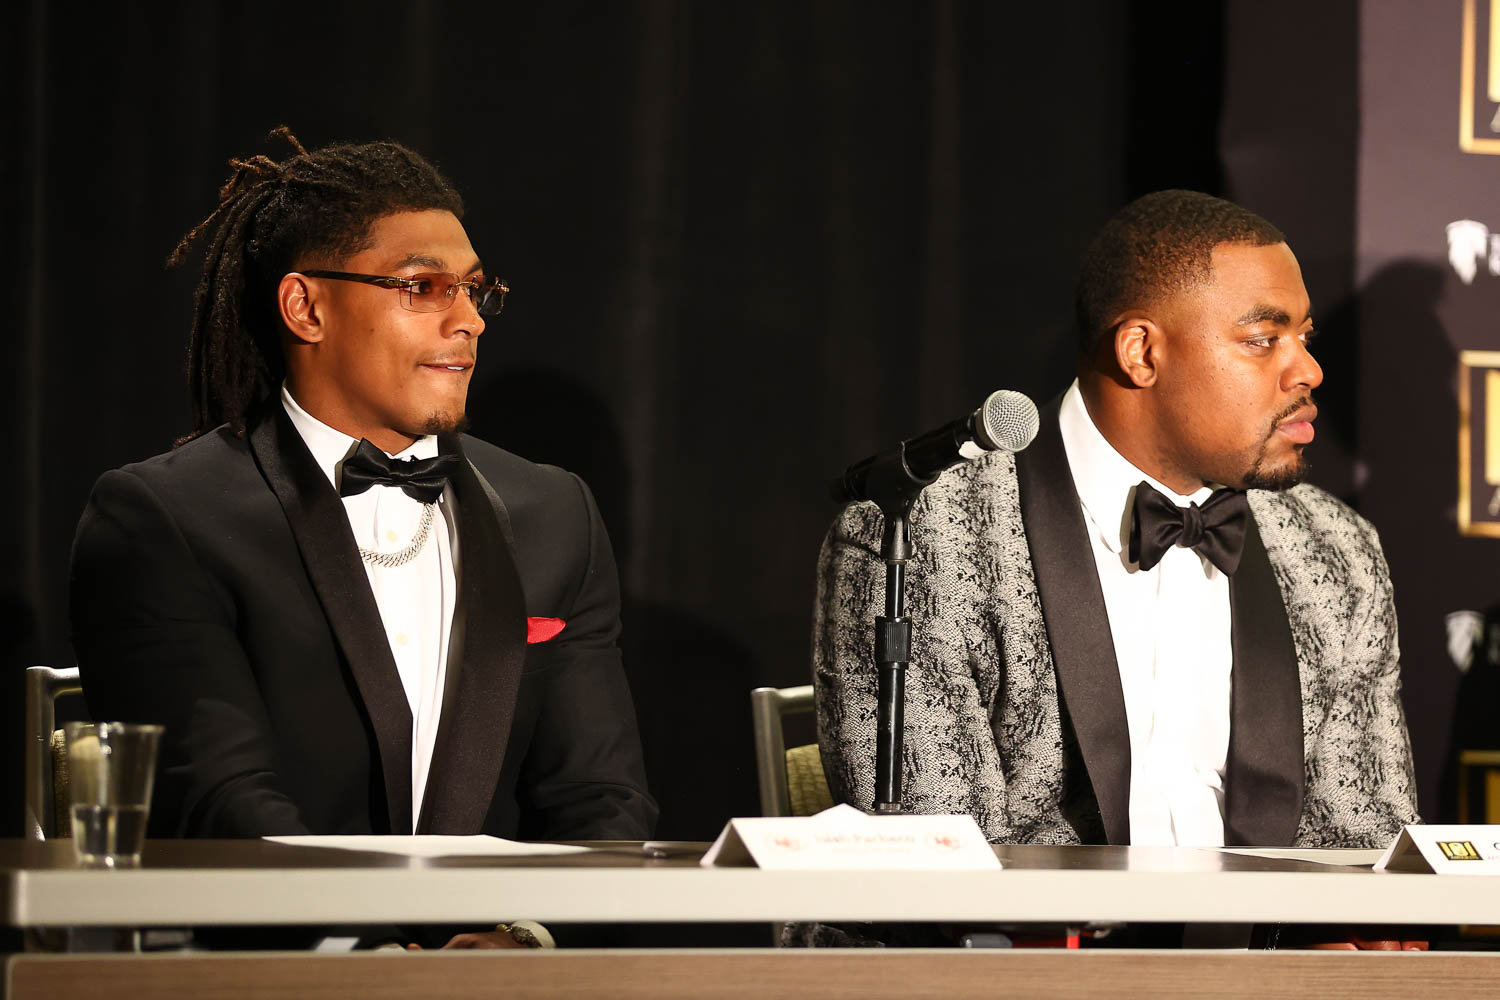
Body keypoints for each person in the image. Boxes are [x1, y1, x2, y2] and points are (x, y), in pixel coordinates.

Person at [70, 129, 656, 946]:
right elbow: (221, 806)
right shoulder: (166, 519)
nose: (470, 321)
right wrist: (371, 961)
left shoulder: (554, 513)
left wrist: (527, 943)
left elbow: (600, 800)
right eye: (423, 287)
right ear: (306, 307)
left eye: (476, 290)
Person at [815, 190, 1418, 854]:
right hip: (1032, 951)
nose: (1309, 369)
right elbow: (934, 853)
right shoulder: (923, 533)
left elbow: (1365, 835)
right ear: (1141, 352)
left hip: (1260, 954)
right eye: (1262, 339)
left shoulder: (1335, 549)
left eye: (1304, 338)